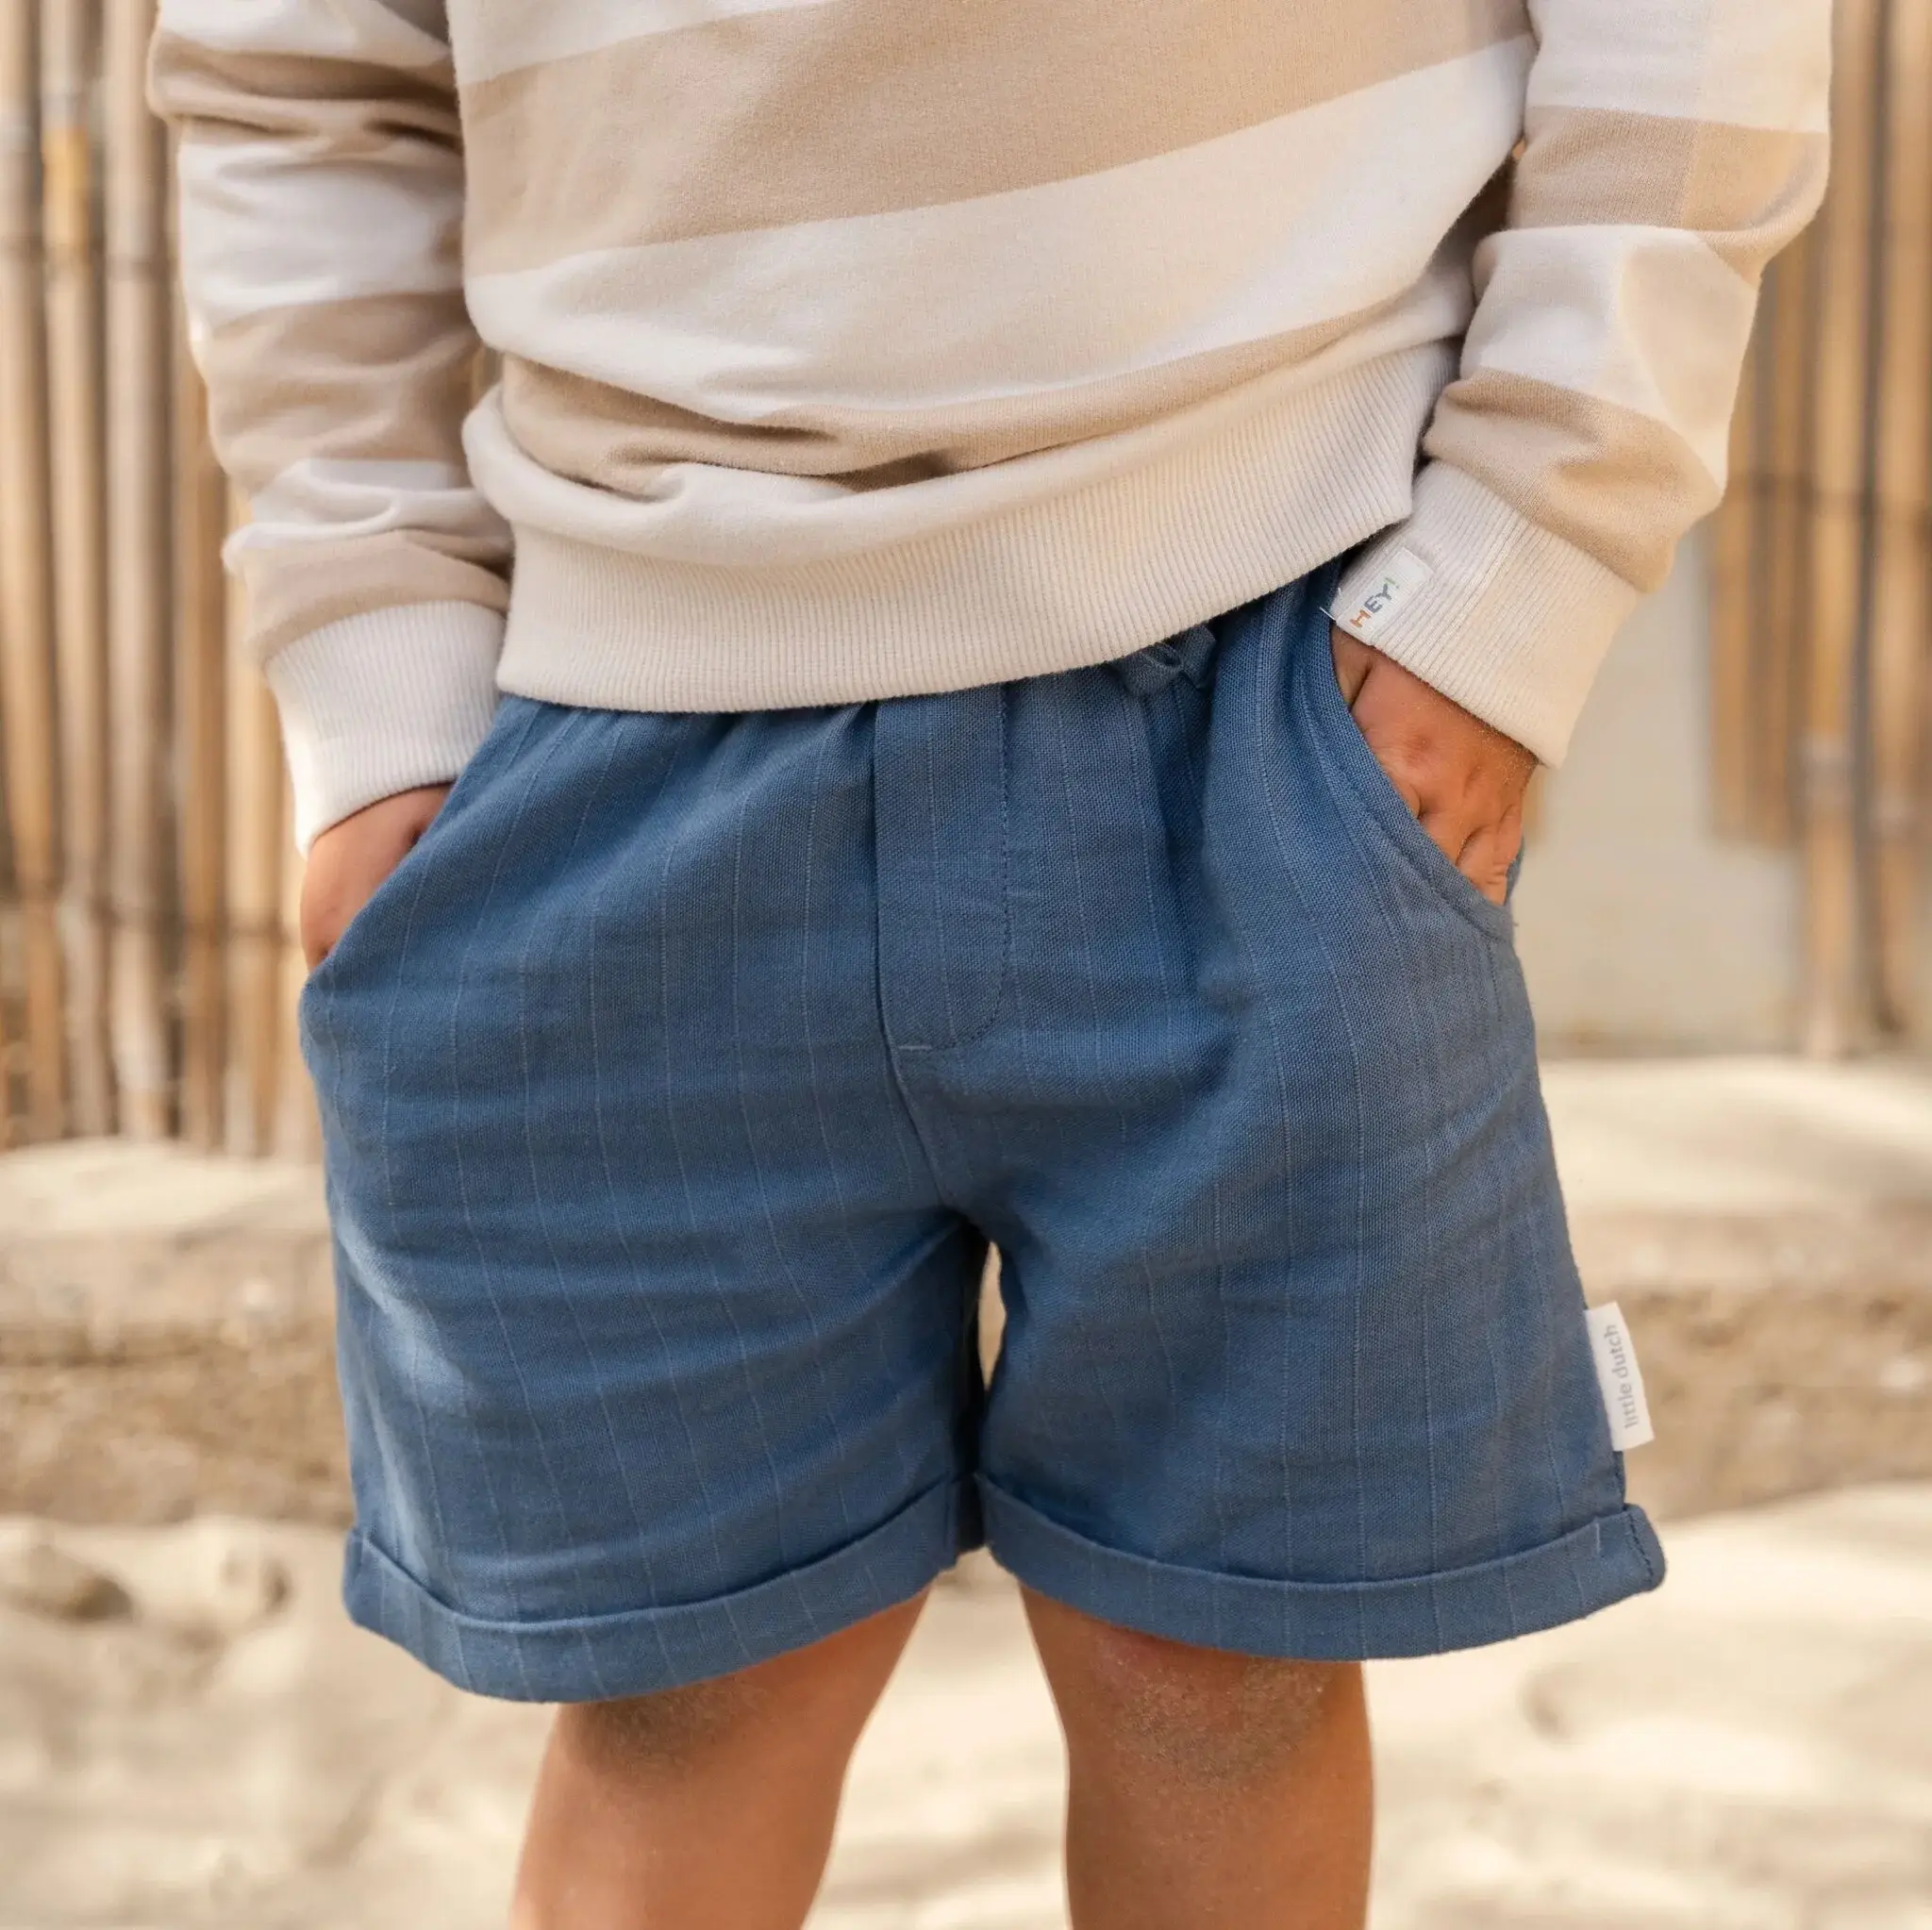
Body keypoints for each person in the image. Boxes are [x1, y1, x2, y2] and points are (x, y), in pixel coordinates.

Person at [153, 5, 1829, 1923]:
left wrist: (1517, 566)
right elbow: (295, 71)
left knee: (1220, 1676)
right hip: (608, 706)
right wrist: (375, 673)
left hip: (1265, 644)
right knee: (686, 1693)